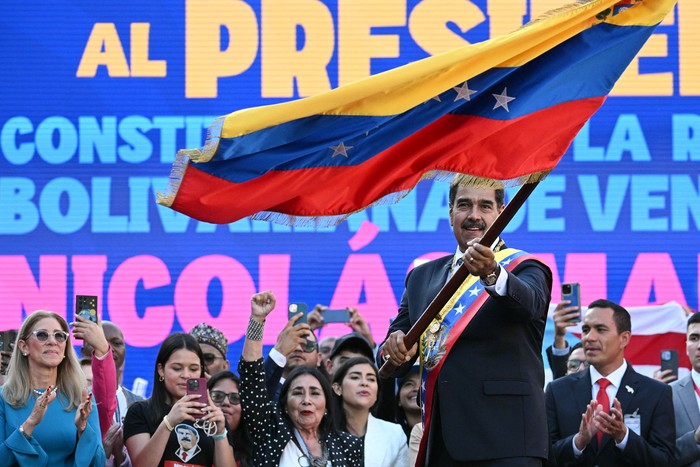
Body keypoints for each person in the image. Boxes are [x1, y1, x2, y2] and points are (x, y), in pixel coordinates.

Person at [380, 179, 552, 466]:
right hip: (440, 442)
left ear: (501, 212)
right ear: (450, 213)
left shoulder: (525, 267)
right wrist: (393, 349)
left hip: (506, 442)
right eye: (464, 205)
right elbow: (393, 346)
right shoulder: (421, 276)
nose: (474, 215)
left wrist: (492, 273)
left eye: (485, 205)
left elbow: (530, 305)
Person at [239, 290, 363, 466]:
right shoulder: (269, 433)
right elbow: (252, 380)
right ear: (285, 404)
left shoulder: (349, 445)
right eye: (297, 393)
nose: (306, 400)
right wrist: (257, 320)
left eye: (314, 393)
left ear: (327, 403)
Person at [545, 299, 675, 466]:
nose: (589, 337)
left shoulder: (656, 393)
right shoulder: (558, 390)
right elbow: (544, 457)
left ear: (624, 339)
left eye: (600, 329)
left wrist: (624, 437)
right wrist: (578, 442)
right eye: (585, 330)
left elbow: (665, 461)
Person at [0, 310, 106, 465]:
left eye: (59, 336)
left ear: (64, 348)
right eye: (42, 335)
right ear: (24, 347)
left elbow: (98, 462)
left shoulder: (80, 397)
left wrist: (83, 430)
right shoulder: (4, 398)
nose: (52, 341)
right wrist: (30, 424)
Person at [123, 332, 233, 466]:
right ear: (161, 370)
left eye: (193, 369)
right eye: (177, 368)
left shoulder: (212, 418)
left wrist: (220, 434)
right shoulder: (140, 411)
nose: (186, 375)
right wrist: (168, 423)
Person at [331, 356, 407, 467]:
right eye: (355, 377)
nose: (364, 383)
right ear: (338, 388)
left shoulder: (394, 434)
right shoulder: (321, 432)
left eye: (371, 379)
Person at [264, 313, 325, 401]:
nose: (298, 348)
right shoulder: (262, 390)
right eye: (292, 344)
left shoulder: (329, 394)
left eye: (307, 345)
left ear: (319, 358)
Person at [671, 312, 700, 467]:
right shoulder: (668, 394)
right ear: (686, 347)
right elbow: (661, 457)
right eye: (694, 338)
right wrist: (695, 439)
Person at [207, 370, 253, 467]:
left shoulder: (256, 450)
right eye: (217, 396)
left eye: (235, 398)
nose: (226, 402)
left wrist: (220, 434)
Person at [545, 301, 580, 379]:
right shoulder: (562, 386)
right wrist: (559, 337)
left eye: (587, 364)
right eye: (574, 365)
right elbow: (561, 376)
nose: (580, 369)